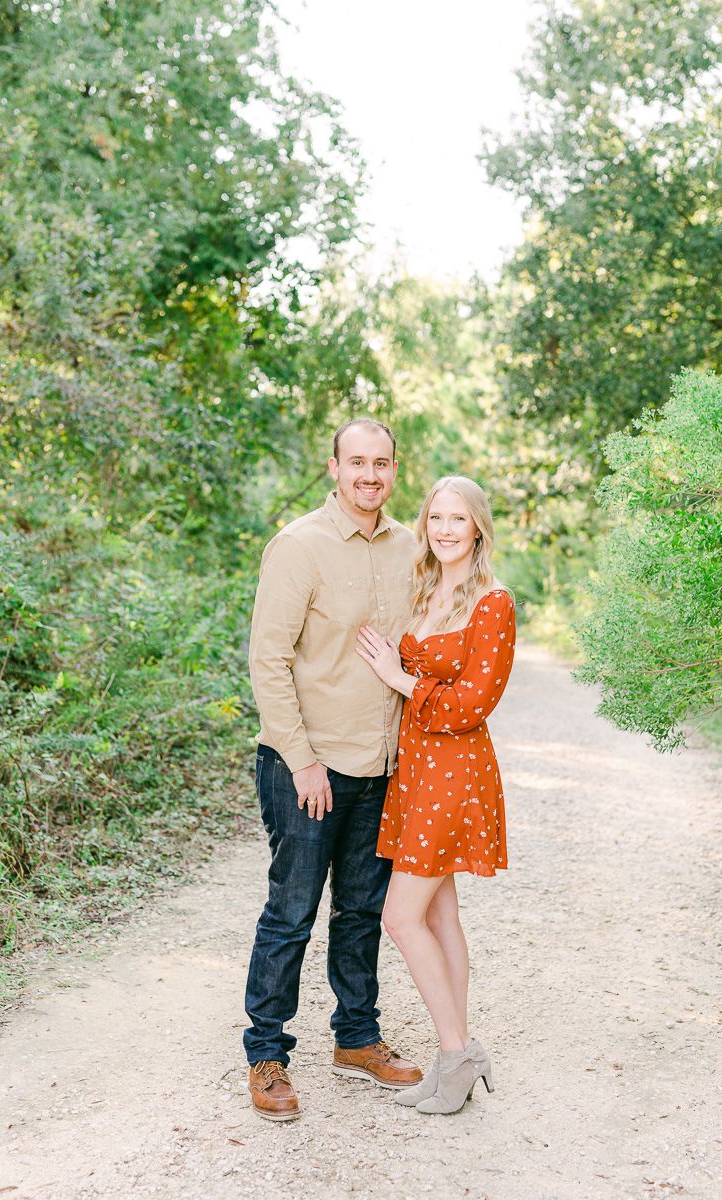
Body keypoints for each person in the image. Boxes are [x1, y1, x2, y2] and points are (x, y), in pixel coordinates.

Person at [244, 417, 423, 1121]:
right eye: (357, 462)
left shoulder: (410, 546)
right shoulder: (299, 545)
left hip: (380, 766)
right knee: (291, 913)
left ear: (394, 470)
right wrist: (302, 760)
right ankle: (267, 1055)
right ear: (335, 467)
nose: (369, 475)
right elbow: (268, 659)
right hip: (308, 768)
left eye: (381, 463)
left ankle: (356, 1038)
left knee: (362, 912)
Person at [355, 475, 515, 1115]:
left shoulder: (493, 603)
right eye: (436, 518)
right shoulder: (426, 588)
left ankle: (457, 1054)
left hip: (455, 771)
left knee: (400, 918)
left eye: (458, 519)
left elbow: (473, 704)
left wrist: (397, 677)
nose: (445, 530)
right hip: (416, 767)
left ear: (478, 528)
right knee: (441, 917)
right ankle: (457, 1054)